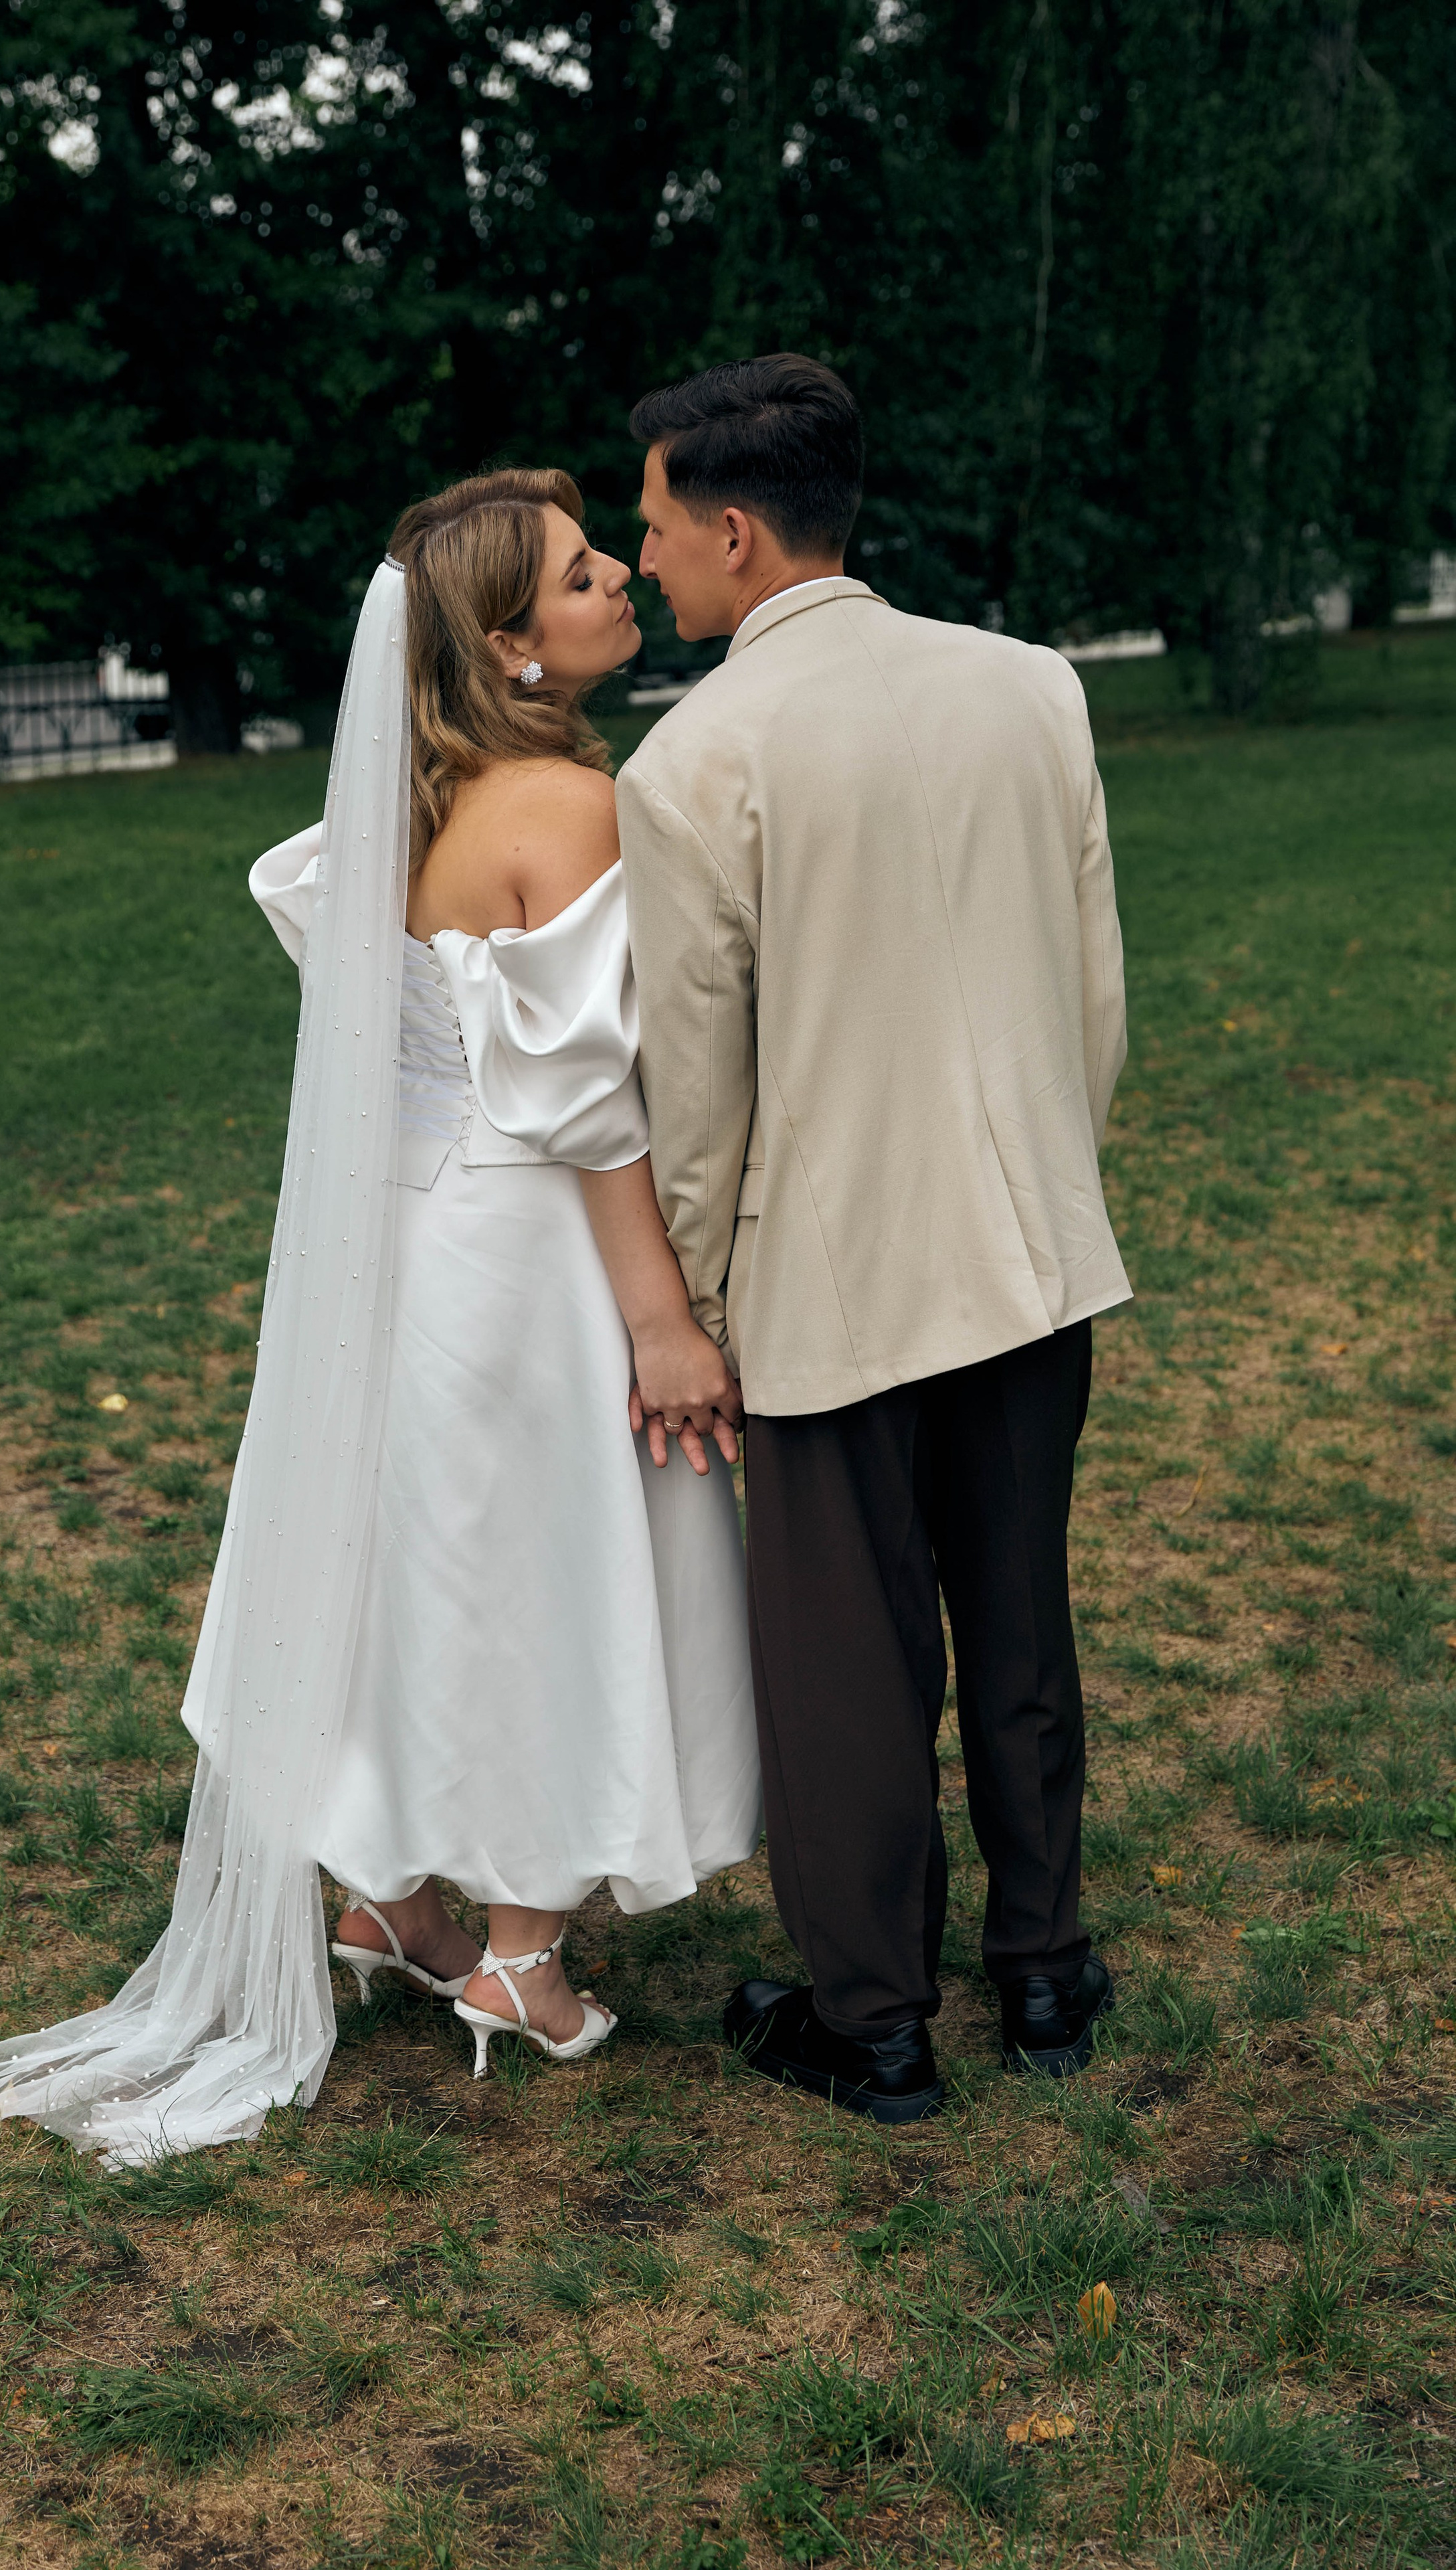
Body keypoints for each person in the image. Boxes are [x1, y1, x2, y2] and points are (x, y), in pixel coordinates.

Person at [0, 470, 759, 2162]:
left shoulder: (396, 804)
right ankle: (523, 1964)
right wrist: (660, 1322)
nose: (619, 574)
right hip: (526, 1255)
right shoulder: (560, 804)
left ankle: (392, 1900)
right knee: (540, 1576)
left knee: (405, 1564)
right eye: (577, 572)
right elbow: (587, 1103)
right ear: (508, 641)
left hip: (399, 1251)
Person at [616, 355, 1130, 2125]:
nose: (649, 563)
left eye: (659, 528)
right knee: (1020, 1615)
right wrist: (1049, 1181)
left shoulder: (695, 761)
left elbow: (697, 1090)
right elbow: (1094, 998)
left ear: (738, 533)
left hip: (825, 1280)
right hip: (1030, 1245)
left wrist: (688, 1301)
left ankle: (876, 2023)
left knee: (847, 1658)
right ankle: (1048, 1975)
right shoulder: (1032, 689)